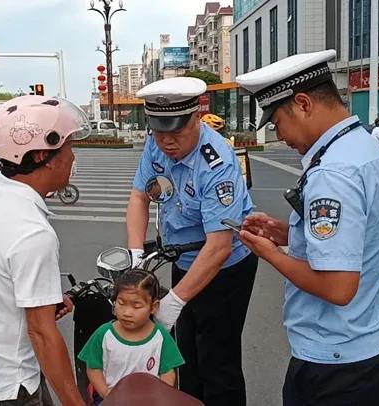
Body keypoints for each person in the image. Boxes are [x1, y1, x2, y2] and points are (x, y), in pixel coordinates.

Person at [235, 49, 379, 406]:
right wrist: (288, 233)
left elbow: (338, 287)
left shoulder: (332, 173)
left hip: (337, 364)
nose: (280, 136)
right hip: (372, 341)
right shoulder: (365, 149)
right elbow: (363, 234)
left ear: (303, 103)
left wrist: (270, 254)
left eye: (277, 123)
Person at [0, 95, 89, 406]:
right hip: (5, 385)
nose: (73, 157)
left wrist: (43, 299)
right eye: (68, 148)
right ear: (41, 155)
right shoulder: (32, 233)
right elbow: (42, 334)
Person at [126, 76, 258, 405]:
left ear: (196, 118)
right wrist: (135, 256)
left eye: (176, 132)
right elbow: (139, 197)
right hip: (184, 258)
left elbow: (219, 246)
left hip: (226, 267)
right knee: (186, 356)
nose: (167, 142)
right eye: (159, 132)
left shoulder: (218, 163)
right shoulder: (155, 142)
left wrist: (173, 301)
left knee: (218, 361)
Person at [77, 270, 185, 404]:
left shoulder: (160, 336)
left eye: (137, 306)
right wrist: (106, 393)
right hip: (112, 399)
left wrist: (160, 396)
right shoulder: (104, 334)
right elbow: (93, 368)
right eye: (121, 303)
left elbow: (168, 372)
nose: (127, 312)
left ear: (153, 307)